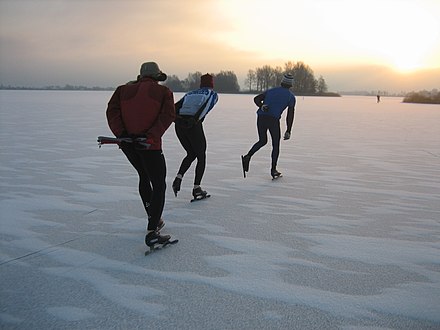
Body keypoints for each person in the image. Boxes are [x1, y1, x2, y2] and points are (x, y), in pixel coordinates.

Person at [106, 61, 176, 247]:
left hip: (129, 145)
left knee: (144, 176)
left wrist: (122, 134)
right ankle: (152, 230)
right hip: (149, 146)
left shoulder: (122, 90)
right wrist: (151, 136)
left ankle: (154, 219)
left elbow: (112, 112)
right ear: (157, 76)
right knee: (159, 184)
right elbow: (168, 115)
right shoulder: (163, 92)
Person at [172, 74, 219, 200]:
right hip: (192, 124)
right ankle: (196, 188)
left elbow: (174, 107)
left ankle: (178, 178)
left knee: (191, 154)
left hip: (179, 125)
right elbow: (206, 108)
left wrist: (175, 119)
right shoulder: (212, 94)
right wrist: (195, 120)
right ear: (211, 84)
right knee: (201, 156)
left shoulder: (190, 93)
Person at [241, 73, 296, 179]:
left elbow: (256, 99)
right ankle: (273, 169)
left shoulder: (271, 91)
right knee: (275, 144)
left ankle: (248, 156)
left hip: (261, 117)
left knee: (262, 140)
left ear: (282, 82)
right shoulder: (291, 97)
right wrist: (288, 130)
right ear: (291, 85)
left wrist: (261, 106)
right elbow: (290, 115)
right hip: (273, 120)